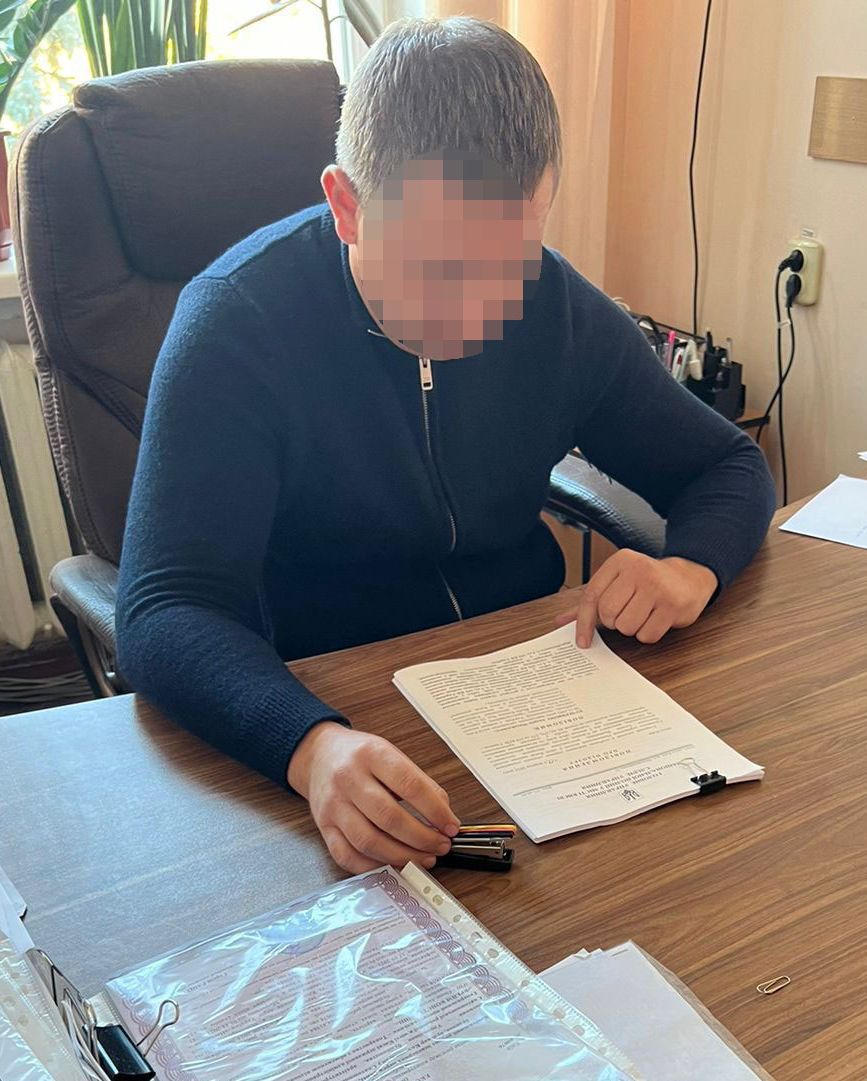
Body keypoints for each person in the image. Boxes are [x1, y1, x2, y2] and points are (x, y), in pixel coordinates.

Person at [116, 16, 776, 875]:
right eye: (441, 270)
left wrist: (689, 568)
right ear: (348, 207)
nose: (484, 314)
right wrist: (308, 746)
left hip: (537, 691)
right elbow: (165, 609)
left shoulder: (554, 308)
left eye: (513, 261)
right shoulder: (237, 325)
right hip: (336, 703)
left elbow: (726, 465)